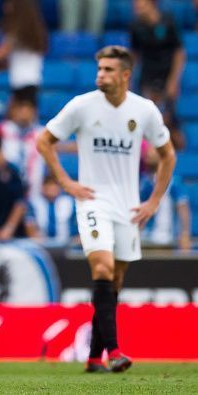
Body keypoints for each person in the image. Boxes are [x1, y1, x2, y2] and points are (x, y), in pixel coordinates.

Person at [36, 45, 176, 373]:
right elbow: (44, 141)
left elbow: (168, 154)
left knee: (113, 283)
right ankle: (115, 351)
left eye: (108, 70)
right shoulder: (82, 106)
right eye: (99, 69)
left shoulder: (144, 110)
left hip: (128, 207)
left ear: (125, 75)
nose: (101, 75)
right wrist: (67, 183)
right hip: (92, 200)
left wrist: (154, 201)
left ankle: (92, 358)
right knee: (101, 269)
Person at [131, 0, 186, 110]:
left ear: (152, 5)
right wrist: (130, 77)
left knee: (168, 118)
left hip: (167, 73)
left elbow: (179, 53)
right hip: (147, 75)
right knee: (149, 112)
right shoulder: (135, 26)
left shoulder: (168, 22)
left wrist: (173, 81)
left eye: (140, 6)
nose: (137, 10)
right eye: (135, 7)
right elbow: (134, 54)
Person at [140, 147, 191, 251]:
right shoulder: (144, 181)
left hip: (164, 240)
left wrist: (184, 234)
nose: (148, 153)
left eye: (153, 150)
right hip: (144, 240)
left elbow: (183, 208)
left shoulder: (173, 182)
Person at [25, 174, 76, 245]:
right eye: (47, 185)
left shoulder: (69, 202)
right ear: (42, 187)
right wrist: (36, 238)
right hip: (42, 244)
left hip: (67, 244)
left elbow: (77, 224)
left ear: (59, 187)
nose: (51, 188)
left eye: (54, 185)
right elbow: (29, 223)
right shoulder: (34, 203)